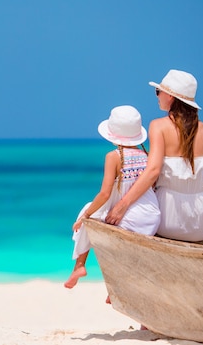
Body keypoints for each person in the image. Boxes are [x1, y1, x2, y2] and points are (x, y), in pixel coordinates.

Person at [105, 69, 203, 242]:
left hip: (168, 224)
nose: (157, 96)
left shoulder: (159, 126)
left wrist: (122, 206)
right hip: (202, 226)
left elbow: (153, 171)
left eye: (158, 91)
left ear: (170, 96)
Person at [64, 105, 160, 289]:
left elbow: (105, 194)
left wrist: (84, 218)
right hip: (151, 217)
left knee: (87, 211)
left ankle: (80, 265)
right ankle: (113, 287)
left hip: (131, 219)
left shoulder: (113, 157)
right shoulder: (147, 156)